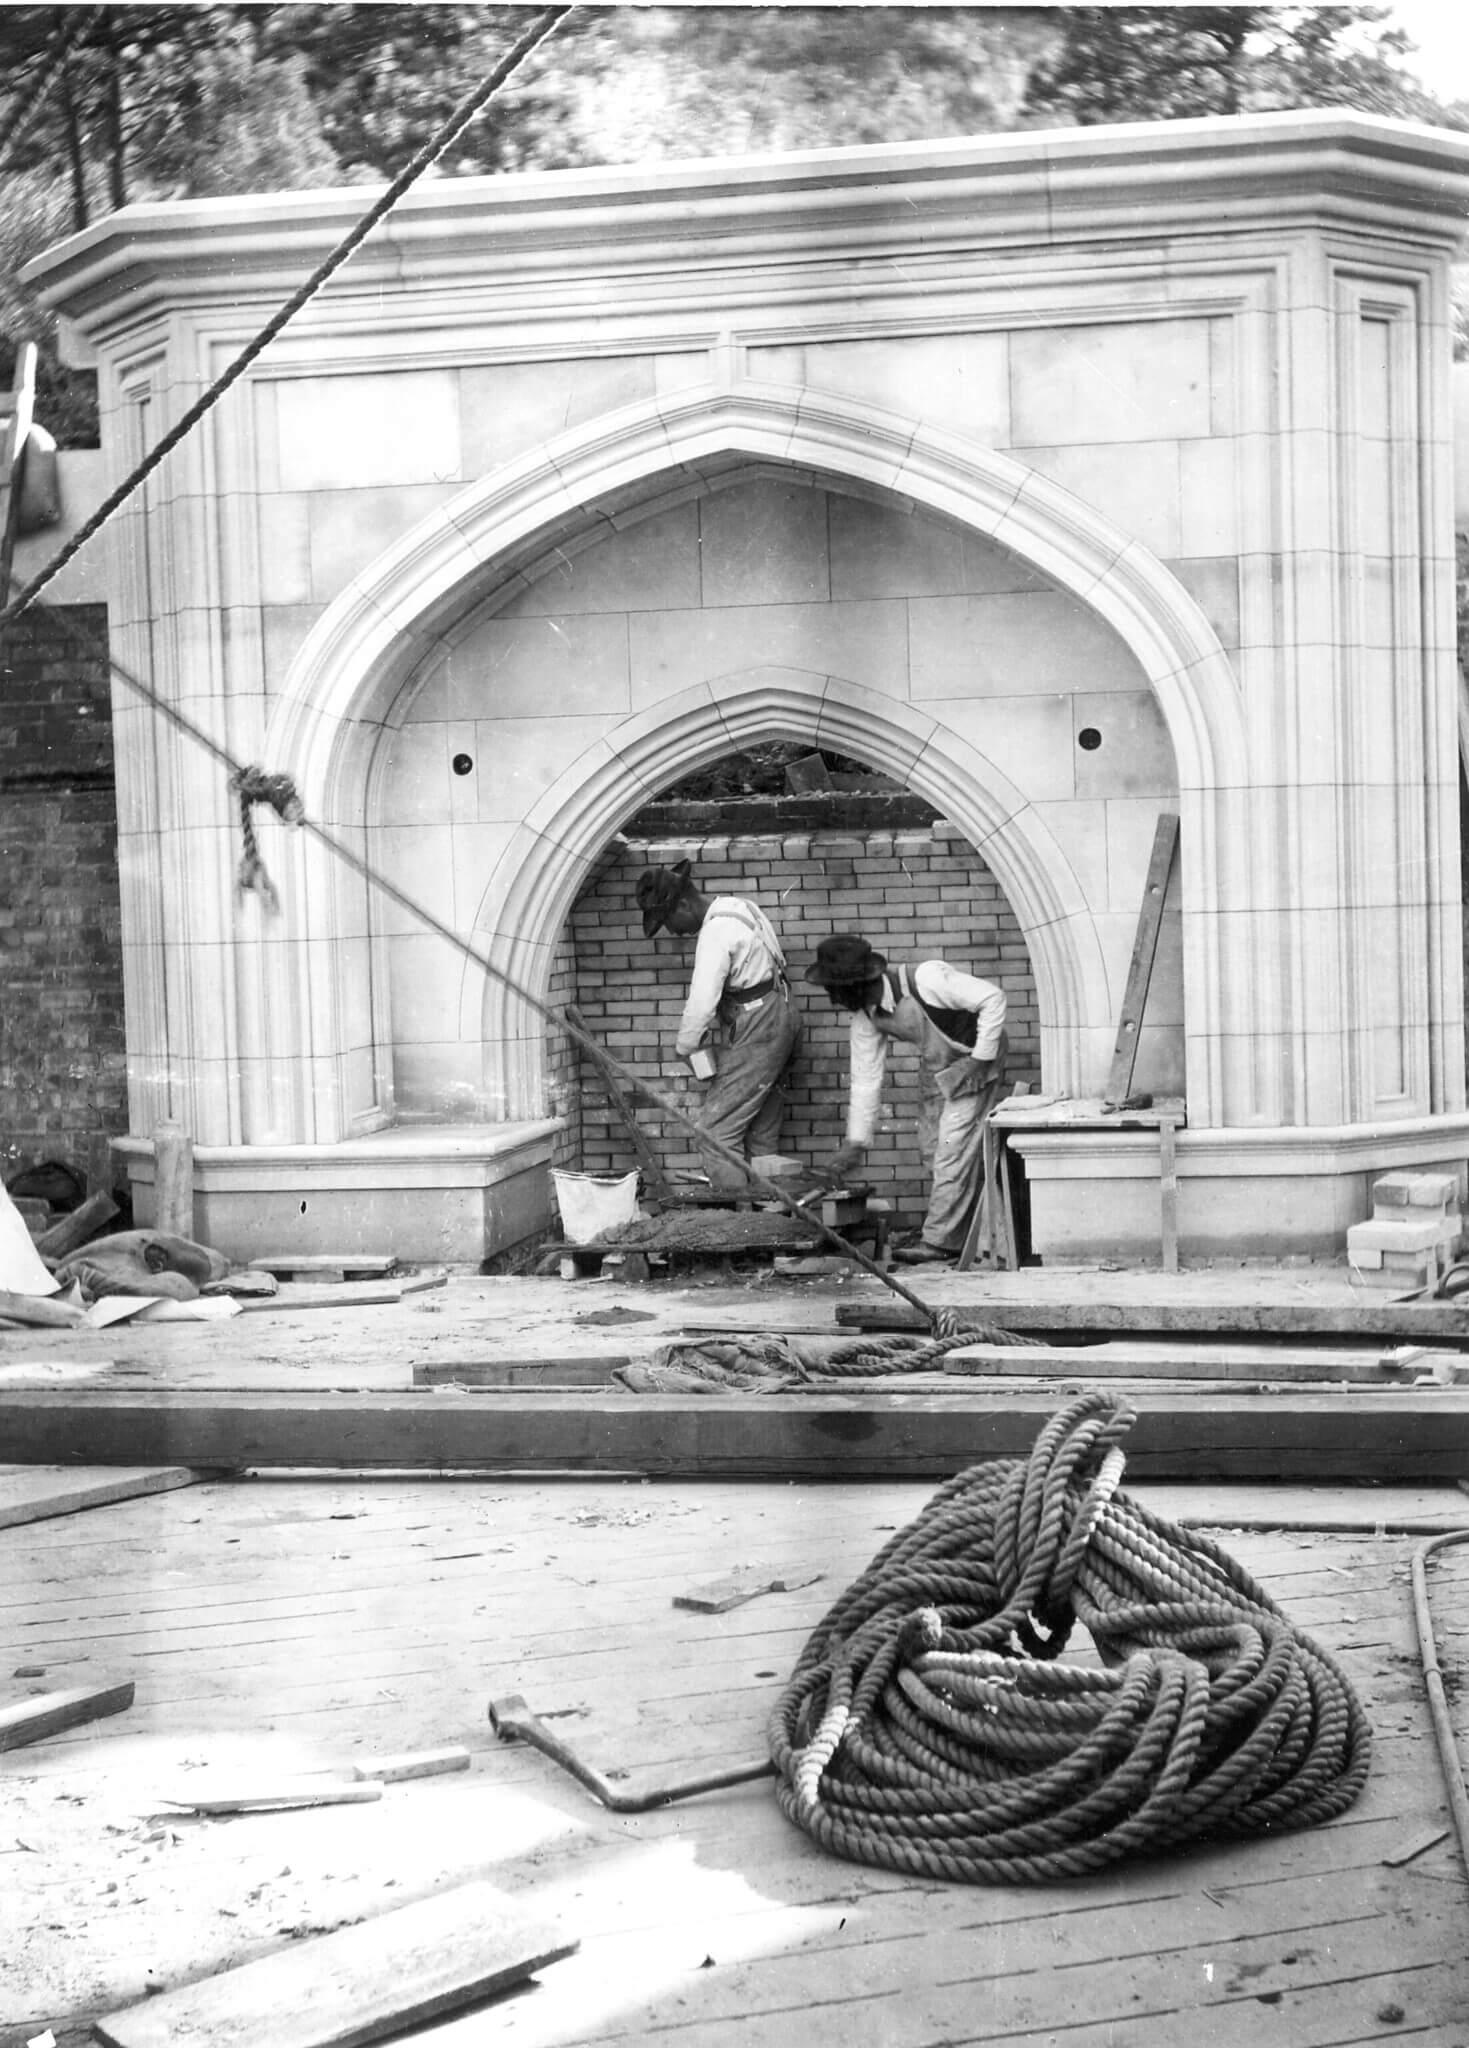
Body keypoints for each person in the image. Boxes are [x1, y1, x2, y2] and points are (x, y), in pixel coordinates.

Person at [805, 933, 1007, 1264]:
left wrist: (981, 1058)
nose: (831, 999)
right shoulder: (866, 1019)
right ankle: (966, 1228)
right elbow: (866, 1082)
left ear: (855, 985)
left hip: (976, 1057)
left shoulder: (926, 980)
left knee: (951, 1148)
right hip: (939, 1065)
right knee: (931, 1148)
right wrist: (856, 1141)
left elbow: (993, 998)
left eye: (833, 990)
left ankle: (941, 1243)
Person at [636, 858, 804, 1189]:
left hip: (760, 1027)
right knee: (759, 1135)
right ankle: (768, 1224)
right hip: (781, 1016)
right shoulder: (739, 907)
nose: (672, 930)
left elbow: (702, 1002)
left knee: (714, 1134)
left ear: (683, 903)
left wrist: (685, 1046)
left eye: (668, 919)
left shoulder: (715, 931)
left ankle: (738, 1226)